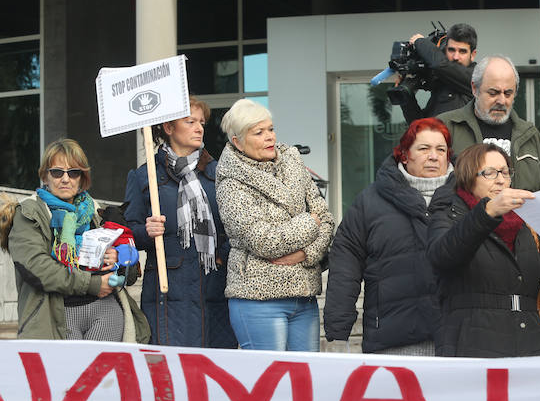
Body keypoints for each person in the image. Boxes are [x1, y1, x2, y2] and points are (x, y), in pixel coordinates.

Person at [427, 143, 540, 357]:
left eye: (504, 172)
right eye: (489, 173)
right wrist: (487, 213)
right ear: (468, 178)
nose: (501, 180)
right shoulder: (450, 212)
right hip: (473, 345)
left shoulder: (527, 222)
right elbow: (442, 257)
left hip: (532, 345)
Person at [0, 138, 149, 342]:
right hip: (56, 317)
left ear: (82, 178)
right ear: (45, 175)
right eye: (57, 172)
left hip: (107, 312)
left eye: (73, 172)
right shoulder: (29, 212)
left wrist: (119, 261)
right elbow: (37, 268)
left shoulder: (98, 213)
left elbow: (130, 274)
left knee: (101, 375)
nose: (65, 179)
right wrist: (92, 283)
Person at [215, 99, 335, 351]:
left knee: (305, 381)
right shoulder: (230, 181)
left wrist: (305, 253)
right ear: (237, 141)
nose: (269, 137)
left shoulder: (292, 161)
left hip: (303, 295)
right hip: (258, 300)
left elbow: (325, 219)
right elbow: (264, 241)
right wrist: (307, 223)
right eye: (258, 132)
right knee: (270, 385)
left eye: (270, 129)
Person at [324, 118, 451, 354]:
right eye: (424, 148)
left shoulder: (467, 199)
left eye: (440, 149)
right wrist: (338, 329)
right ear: (404, 155)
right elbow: (345, 265)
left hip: (456, 341)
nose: (433, 156)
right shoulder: (370, 202)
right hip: (392, 341)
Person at [124, 96, 236, 348]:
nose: (199, 128)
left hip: (214, 285)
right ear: (169, 127)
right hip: (167, 291)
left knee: (214, 368)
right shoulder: (145, 177)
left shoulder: (221, 174)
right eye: (190, 121)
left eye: (202, 122)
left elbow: (238, 226)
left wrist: (222, 256)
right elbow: (128, 234)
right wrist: (145, 231)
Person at [437, 55, 540, 192]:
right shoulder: (446, 127)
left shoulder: (531, 135)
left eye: (508, 93)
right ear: (475, 89)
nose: (501, 101)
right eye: (493, 93)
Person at [400, 23, 477, 123]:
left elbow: (439, 64)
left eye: (462, 51)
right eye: (451, 50)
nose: (455, 57)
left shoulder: (477, 77)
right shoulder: (441, 83)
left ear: (472, 55)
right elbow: (418, 126)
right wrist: (406, 95)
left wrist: (420, 41)